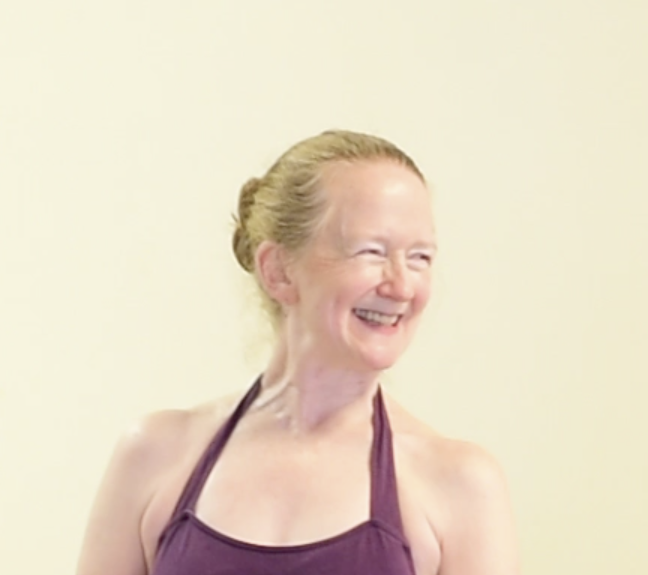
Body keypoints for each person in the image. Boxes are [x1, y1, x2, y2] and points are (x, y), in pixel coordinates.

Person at [76, 130, 519, 575]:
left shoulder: (460, 486)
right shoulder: (155, 455)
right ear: (278, 271)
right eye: (371, 251)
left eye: (420, 257)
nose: (402, 285)